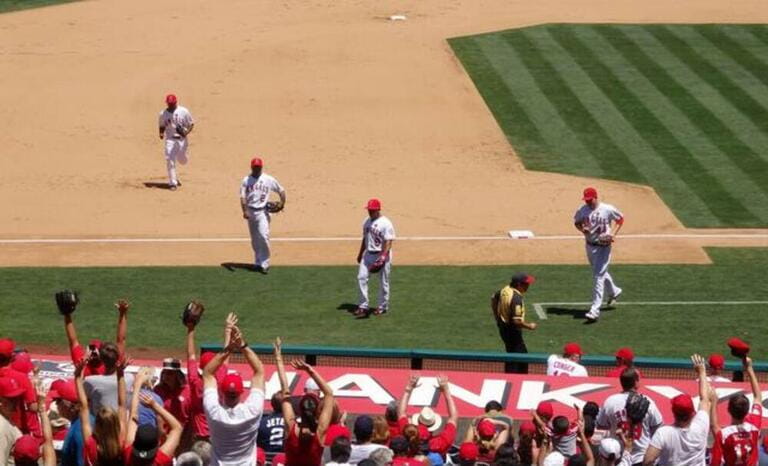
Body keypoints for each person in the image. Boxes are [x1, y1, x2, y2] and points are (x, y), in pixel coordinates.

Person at [202, 325, 265, 466]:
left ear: (222, 392)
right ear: (242, 392)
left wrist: (229, 349)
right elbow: (259, 371)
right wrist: (242, 345)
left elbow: (207, 373)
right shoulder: (252, 411)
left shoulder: (214, 413)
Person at [274, 337, 335, 466]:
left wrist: (278, 358)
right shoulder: (319, 433)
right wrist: (310, 370)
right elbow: (329, 394)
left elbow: (285, 391)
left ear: (300, 409)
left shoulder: (291, 429)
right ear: (317, 411)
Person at [643, 354, 712, 466]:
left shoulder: (664, 433)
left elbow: (648, 461)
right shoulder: (701, 426)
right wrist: (702, 372)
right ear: (692, 413)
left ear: (674, 413)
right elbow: (705, 399)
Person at [573, 187, 624, 322]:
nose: (588, 202)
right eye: (586, 200)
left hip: (604, 247)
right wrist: (582, 229)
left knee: (598, 276)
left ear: (595, 197)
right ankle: (614, 291)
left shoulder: (607, 209)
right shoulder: (582, 210)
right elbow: (576, 222)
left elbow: (620, 219)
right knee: (600, 272)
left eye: (590, 200)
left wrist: (612, 233)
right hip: (590, 246)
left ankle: (595, 310)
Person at [187, 312, 237, 442]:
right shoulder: (220, 379)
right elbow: (224, 358)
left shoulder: (195, 381)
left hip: (198, 437)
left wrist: (190, 329)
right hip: (218, 435)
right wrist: (228, 330)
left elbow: (191, 355)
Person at [596, 368, 662, 465]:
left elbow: (600, 425)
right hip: (641, 458)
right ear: (636, 382)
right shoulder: (648, 402)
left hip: (617, 457)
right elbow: (658, 428)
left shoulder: (610, 401)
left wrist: (616, 424)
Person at [75, 357, 128, 466]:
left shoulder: (91, 443)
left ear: (97, 425)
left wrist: (77, 376)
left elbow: (83, 407)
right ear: (115, 424)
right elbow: (122, 405)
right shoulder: (121, 440)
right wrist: (120, 374)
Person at [710, 356, 762, 466]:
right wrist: (749, 369)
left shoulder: (724, 434)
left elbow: (714, 426)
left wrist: (713, 402)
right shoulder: (754, 428)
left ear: (728, 410)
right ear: (747, 411)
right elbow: (758, 397)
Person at [239, 157, 287, 274]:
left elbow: (281, 190)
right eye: (255, 167)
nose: (257, 168)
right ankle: (257, 262)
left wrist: (282, 202)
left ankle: (265, 264)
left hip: (263, 212)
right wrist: (245, 211)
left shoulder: (268, 179)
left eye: (258, 167)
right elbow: (243, 197)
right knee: (255, 239)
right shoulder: (246, 180)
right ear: (251, 167)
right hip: (251, 211)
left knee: (264, 236)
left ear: (261, 167)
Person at [397, 374, 458, 460]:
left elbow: (401, 413)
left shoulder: (407, 435)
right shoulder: (440, 443)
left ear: (417, 422)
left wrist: (408, 389)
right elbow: (453, 417)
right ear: (433, 425)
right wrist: (446, 390)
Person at [354, 198, 396, 317]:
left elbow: (389, 241)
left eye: (372, 210)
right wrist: (360, 253)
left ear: (378, 210)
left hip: (382, 254)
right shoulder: (366, 222)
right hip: (368, 255)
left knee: (383, 282)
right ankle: (363, 306)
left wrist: (383, 256)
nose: (370, 212)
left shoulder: (386, 223)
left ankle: (382, 307)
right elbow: (365, 239)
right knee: (361, 278)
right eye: (369, 210)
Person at [124, 383, 183, 466]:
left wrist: (137, 385)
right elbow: (177, 428)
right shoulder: (160, 460)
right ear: (157, 443)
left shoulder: (127, 454)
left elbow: (133, 415)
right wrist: (154, 405)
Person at [491, 273, 537, 373]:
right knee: (519, 358)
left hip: (503, 328)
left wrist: (497, 316)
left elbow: (493, 297)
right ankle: (516, 378)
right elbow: (516, 321)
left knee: (513, 354)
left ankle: (512, 376)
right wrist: (529, 326)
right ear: (519, 284)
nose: (528, 285)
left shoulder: (505, 289)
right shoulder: (516, 299)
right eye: (526, 284)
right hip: (511, 331)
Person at [158, 93, 194, 190]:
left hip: (182, 140)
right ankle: (172, 182)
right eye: (169, 103)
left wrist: (186, 132)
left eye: (172, 103)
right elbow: (161, 125)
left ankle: (182, 157)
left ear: (176, 102)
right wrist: (161, 133)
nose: (171, 105)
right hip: (170, 140)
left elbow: (191, 124)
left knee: (182, 161)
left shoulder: (184, 111)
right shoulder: (163, 114)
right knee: (170, 160)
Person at [51, 378, 91, 466]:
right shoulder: (84, 421)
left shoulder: (78, 431)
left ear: (71, 406)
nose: (56, 404)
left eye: (58, 401)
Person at [0, 376, 23, 464]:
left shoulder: (5, 417)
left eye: (17, 398)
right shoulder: (1, 428)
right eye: (11, 399)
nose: (16, 403)